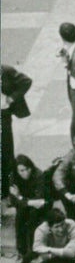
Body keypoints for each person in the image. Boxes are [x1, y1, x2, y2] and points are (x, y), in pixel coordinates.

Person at [1, 63, 32, 200]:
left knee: (6, 152)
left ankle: (7, 190)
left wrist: (12, 97)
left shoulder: (5, 70)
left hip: (3, 114)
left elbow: (26, 81)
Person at [10, 155, 48, 263]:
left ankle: (32, 253)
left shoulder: (39, 175)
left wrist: (20, 197)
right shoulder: (13, 177)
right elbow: (13, 201)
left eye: (26, 169)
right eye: (20, 171)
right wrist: (25, 201)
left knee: (33, 218)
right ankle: (21, 251)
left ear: (30, 167)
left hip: (41, 205)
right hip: (26, 204)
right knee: (20, 217)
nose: (24, 173)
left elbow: (40, 199)